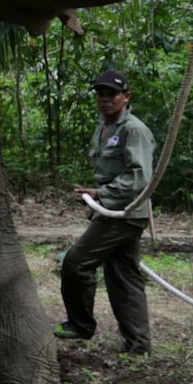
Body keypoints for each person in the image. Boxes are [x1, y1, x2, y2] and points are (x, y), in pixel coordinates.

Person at [54, 70, 155, 356]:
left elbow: (140, 177)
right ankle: (138, 346)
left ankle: (80, 325)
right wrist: (97, 196)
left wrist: (101, 194)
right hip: (111, 211)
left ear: (126, 97)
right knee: (123, 277)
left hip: (125, 214)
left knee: (76, 263)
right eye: (101, 94)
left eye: (112, 94)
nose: (105, 99)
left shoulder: (133, 129)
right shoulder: (104, 127)